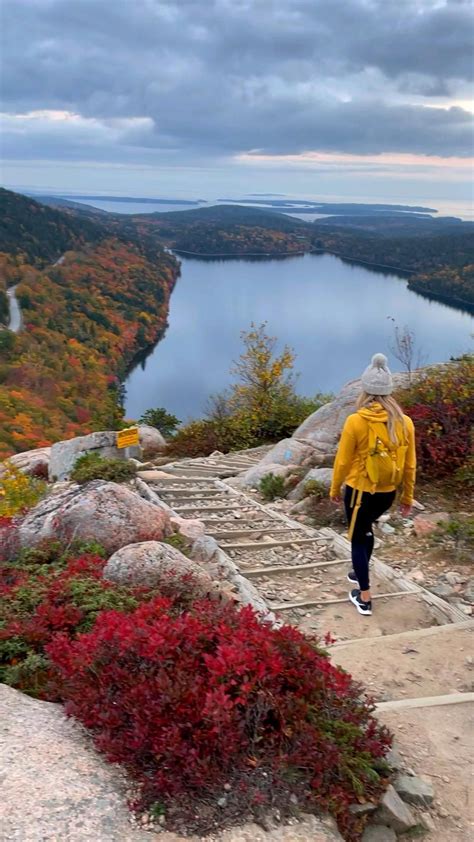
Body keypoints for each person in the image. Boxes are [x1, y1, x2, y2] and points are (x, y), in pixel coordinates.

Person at [329, 353, 416, 616]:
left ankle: (364, 597)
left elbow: (342, 461)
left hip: (359, 492)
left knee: (357, 537)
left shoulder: (357, 420)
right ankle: (359, 571)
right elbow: (410, 465)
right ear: (389, 391)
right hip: (387, 493)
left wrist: (335, 488)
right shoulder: (405, 422)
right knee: (366, 531)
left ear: (365, 390)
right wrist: (407, 497)